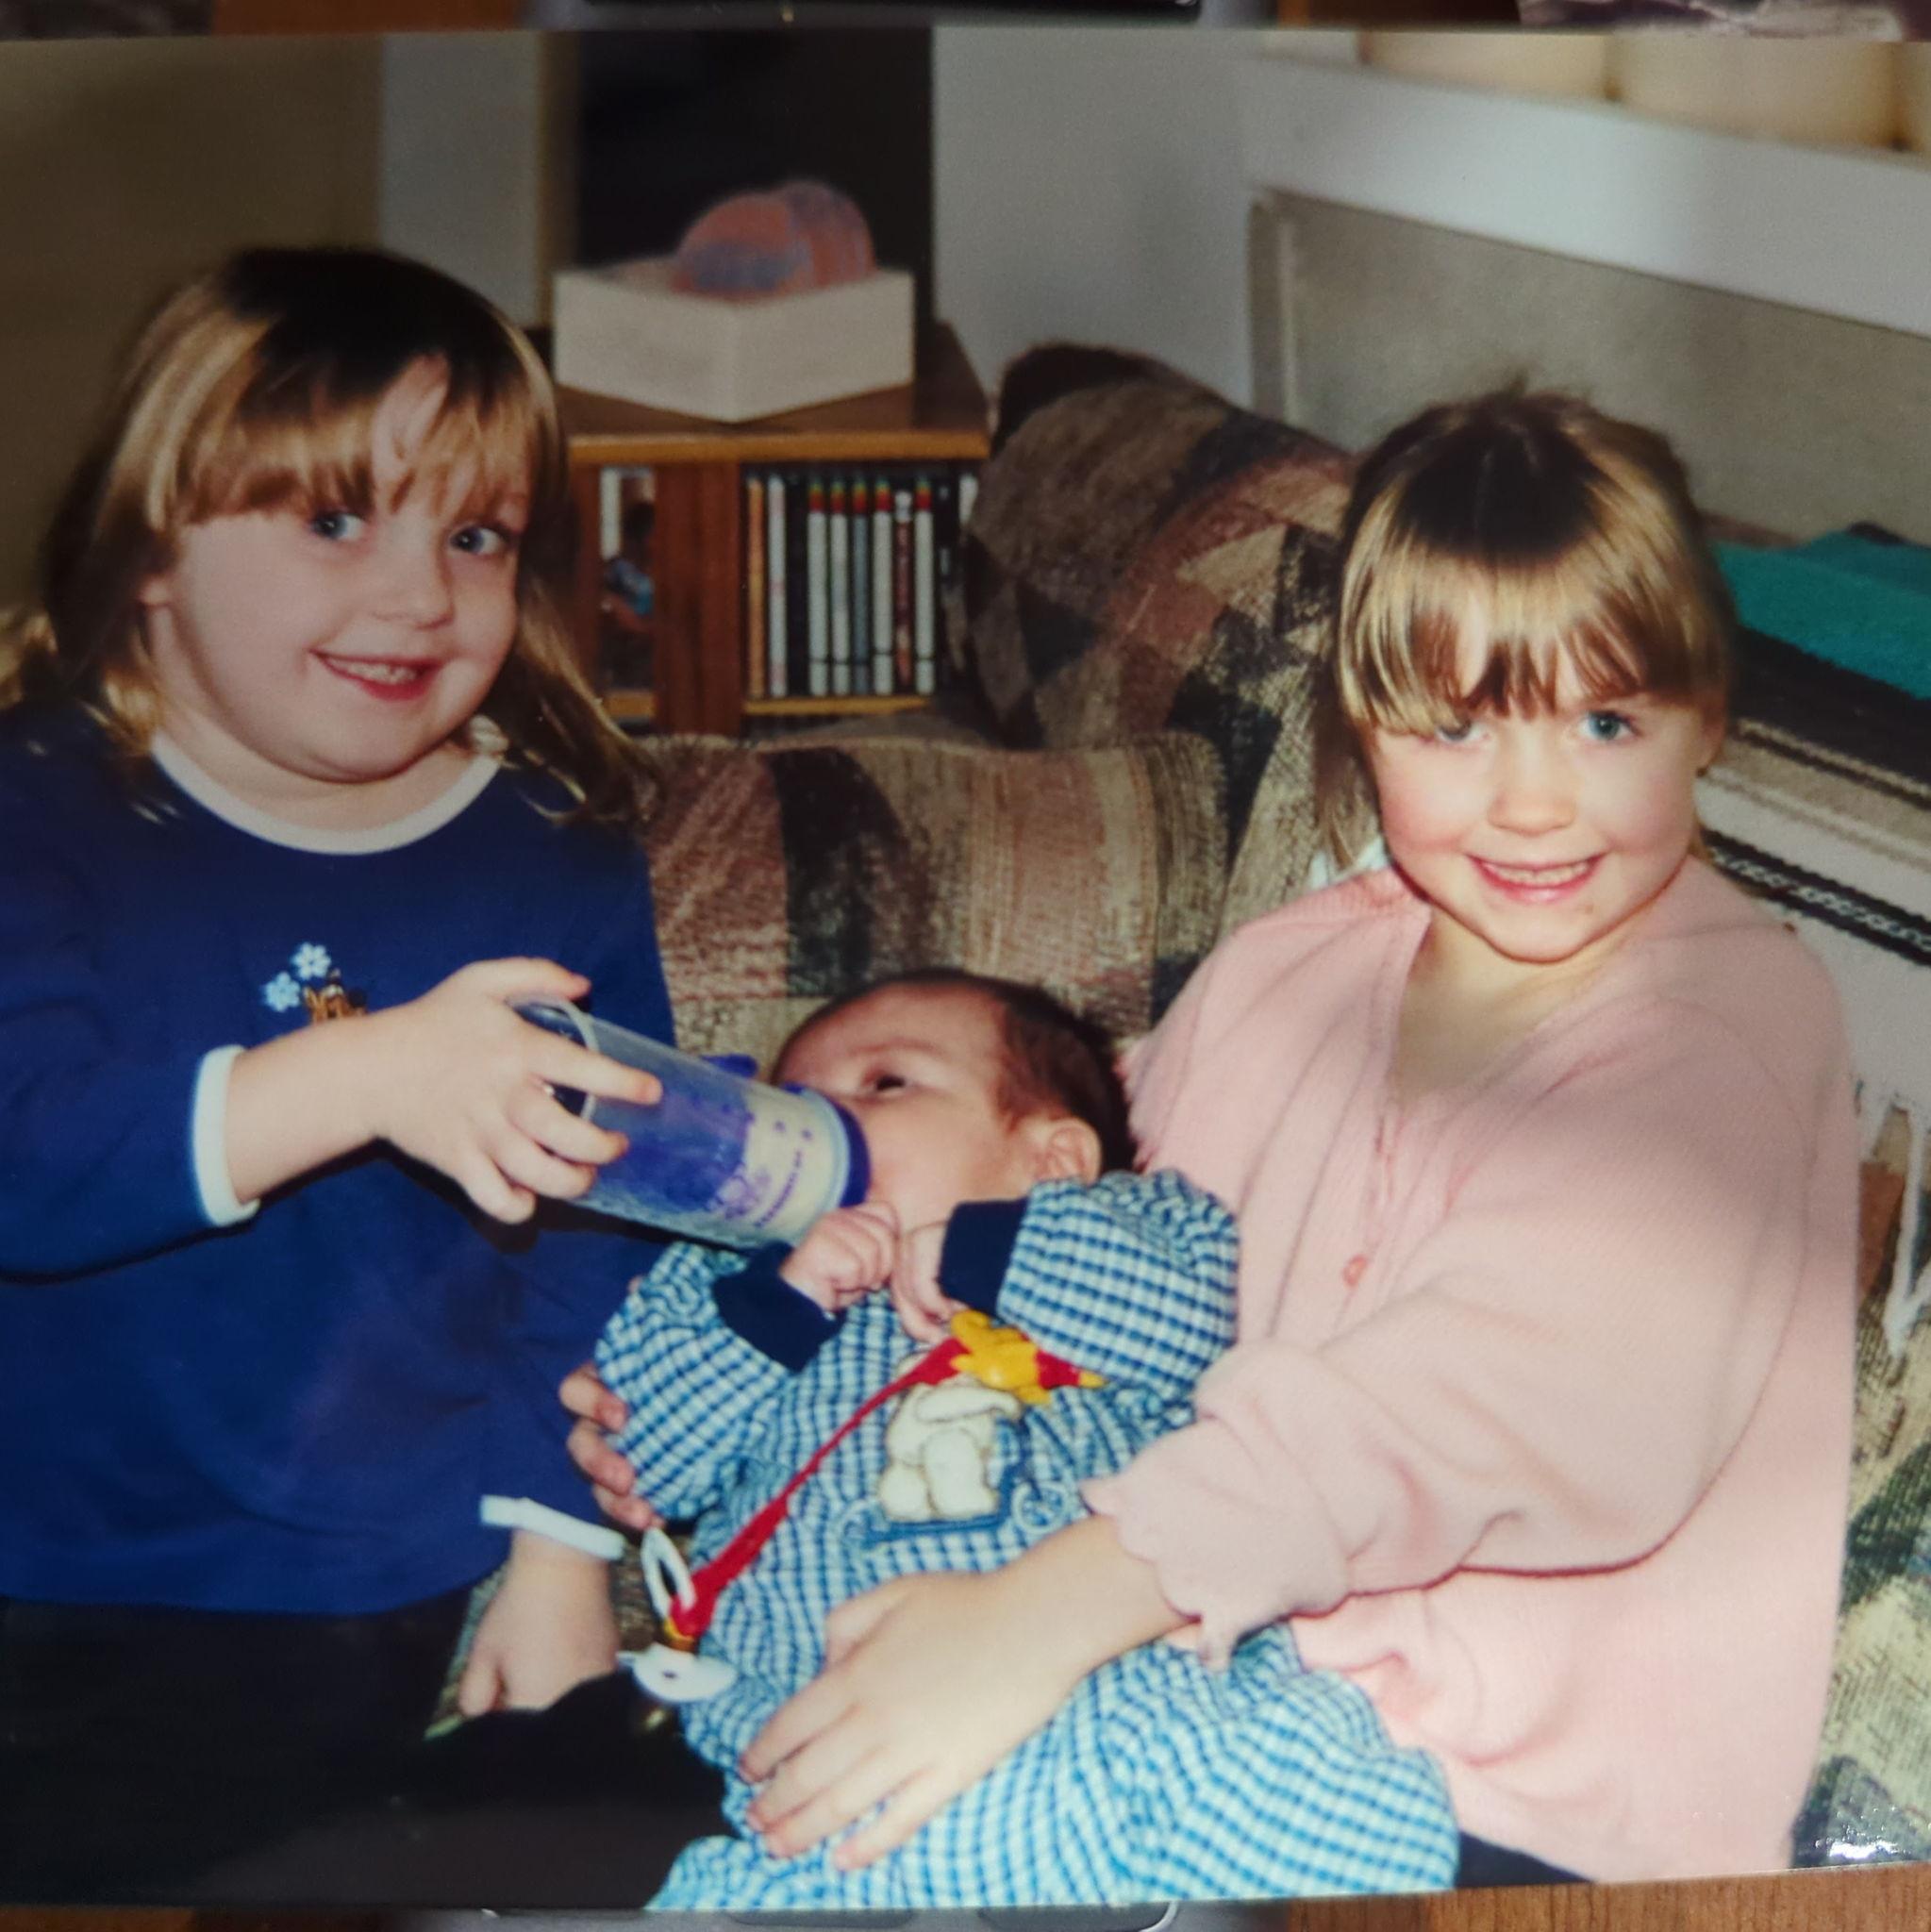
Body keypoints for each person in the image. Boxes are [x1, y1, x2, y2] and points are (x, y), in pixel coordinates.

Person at [570, 391, 1858, 1890]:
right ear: (1361, 727)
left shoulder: (1722, 1026)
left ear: (1703, 719)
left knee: (896, 1815)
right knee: (785, 1745)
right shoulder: (1283, 974)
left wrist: (1041, 1616)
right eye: (1449, 726)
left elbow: (1483, 1398)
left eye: (1604, 720)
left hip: (1498, 1806)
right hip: (1201, 1668)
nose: (1531, 802)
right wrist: (706, 1386)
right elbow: (1095, 1215)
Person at [0, 245, 675, 1899]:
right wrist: (370, 1071)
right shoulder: (36, 808)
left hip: (365, 1576)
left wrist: (557, 1550)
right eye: (331, 523)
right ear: (152, 548)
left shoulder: (549, 853)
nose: (418, 595)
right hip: (36, 1547)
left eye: (474, 535)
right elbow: (27, 1158)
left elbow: (601, 1241)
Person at [541, 968, 1458, 1907]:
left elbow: (1186, 1316)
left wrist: (977, 1250)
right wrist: (782, 1299)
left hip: (1132, 1698)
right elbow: (645, 1460)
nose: (825, 1117)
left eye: (884, 1084)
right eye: (798, 1101)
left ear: (1051, 1157)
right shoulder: (718, 1283)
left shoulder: (1116, 1226)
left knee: (1322, 1820)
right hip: (832, 1749)